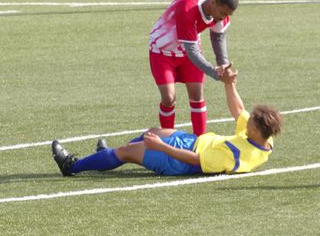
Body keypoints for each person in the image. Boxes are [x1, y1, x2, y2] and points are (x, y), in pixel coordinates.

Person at [52, 68, 282, 176]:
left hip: (182, 162)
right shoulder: (263, 138)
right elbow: (238, 109)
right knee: (150, 132)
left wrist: (162, 147)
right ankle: (109, 157)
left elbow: (197, 161)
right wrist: (229, 83)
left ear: (254, 129)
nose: (246, 120)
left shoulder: (235, 155)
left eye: (250, 121)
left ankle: (72, 166)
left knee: (127, 151)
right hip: (193, 142)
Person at [149, 0, 238, 135]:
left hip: (188, 50)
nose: (223, 17)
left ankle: (200, 143)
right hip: (162, 52)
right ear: (213, 2)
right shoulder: (187, 9)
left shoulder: (221, 11)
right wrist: (216, 74)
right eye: (222, 13)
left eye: (227, 14)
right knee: (169, 98)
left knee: (197, 95)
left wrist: (224, 65)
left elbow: (218, 37)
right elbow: (192, 52)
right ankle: (168, 140)